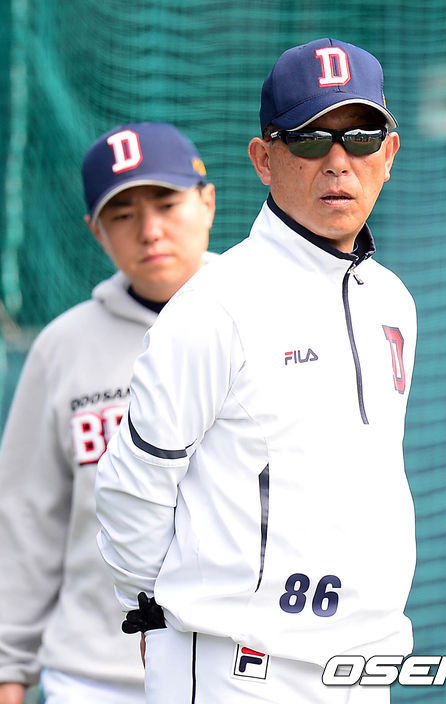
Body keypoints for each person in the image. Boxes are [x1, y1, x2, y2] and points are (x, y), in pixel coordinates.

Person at [96, 38, 417, 704]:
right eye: (310, 139)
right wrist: (153, 611)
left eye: (360, 137)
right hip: (235, 670)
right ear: (264, 160)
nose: (338, 161)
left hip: (362, 665)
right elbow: (133, 483)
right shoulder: (215, 306)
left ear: (388, 154)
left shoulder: (392, 300)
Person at [0, 121, 216, 704]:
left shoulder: (267, 322)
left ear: (207, 202)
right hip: (93, 678)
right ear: (96, 231)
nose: (149, 230)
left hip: (237, 670)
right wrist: (8, 666)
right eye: (122, 214)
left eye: (166, 204)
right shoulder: (61, 347)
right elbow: (25, 519)